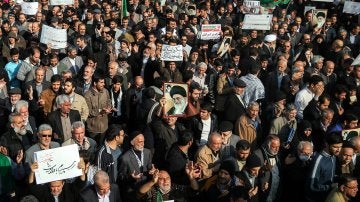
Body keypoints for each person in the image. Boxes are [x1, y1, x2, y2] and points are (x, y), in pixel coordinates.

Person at [306, 133, 343, 202]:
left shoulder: (333, 156)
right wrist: (330, 187)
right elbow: (312, 185)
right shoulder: (318, 160)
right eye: (335, 147)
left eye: (340, 146)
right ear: (326, 144)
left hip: (328, 197)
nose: (338, 150)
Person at [118, 131, 155, 200]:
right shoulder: (125, 158)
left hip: (146, 188)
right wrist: (131, 178)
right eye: (140, 142)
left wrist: (152, 171)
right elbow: (121, 177)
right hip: (133, 191)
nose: (143, 144)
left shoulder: (148, 152)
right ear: (132, 142)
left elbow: (149, 168)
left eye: (143, 141)